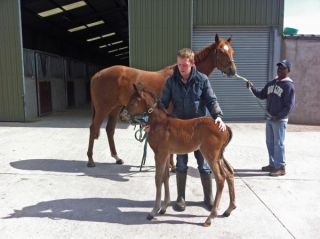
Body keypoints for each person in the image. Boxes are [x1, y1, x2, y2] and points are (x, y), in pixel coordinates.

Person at [158, 48, 226, 212]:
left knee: (204, 165)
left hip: (198, 130)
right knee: (181, 164)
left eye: (184, 65)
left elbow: (211, 99)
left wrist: (217, 115)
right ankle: (181, 198)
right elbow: (161, 104)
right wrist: (147, 119)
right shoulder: (171, 81)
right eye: (179, 64)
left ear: (192, 63)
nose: (181, 68)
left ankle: (208, 197)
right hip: (179, 129)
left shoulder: (202, 79)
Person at [246, 59, 295, 176]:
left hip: (279, 120)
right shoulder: (272, 83)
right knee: (270, 142)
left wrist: (278, 117)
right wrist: (251, 88)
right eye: (279, 67)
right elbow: (262, 95)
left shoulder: (289, 86)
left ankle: (281, 167)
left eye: (283, 68)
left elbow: (290, 106)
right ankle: (273, 165)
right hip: (270, 119)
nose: (280, 69)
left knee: (279, 143)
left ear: (288, 70)